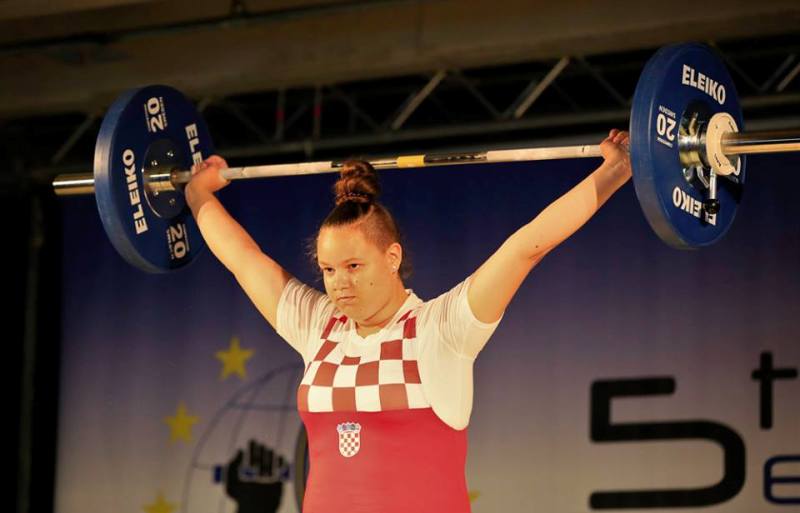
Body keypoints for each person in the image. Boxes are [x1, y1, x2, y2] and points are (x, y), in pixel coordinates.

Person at [185, 129, 632, 513]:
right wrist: (197, 194)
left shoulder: (440, 330)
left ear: (392, 257)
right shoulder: (318, 326)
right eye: (328, 269)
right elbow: (243, 259)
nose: (339, 283)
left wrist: (617, 170)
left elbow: (525, 248)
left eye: (354, 266)